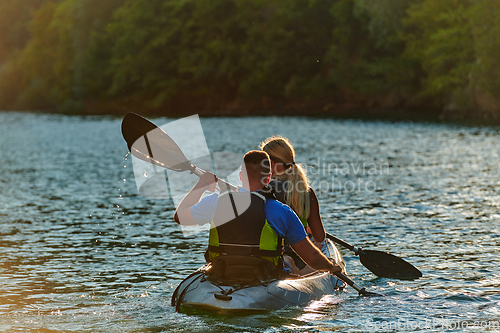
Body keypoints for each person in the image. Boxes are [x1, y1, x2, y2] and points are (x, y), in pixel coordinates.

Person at [173, 150, 341, 279]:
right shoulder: (281, 211)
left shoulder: (215, 202)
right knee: (292, 265)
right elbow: (311, 257)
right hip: (263, 276)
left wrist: (200, 186)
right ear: (268, 179)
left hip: (221, 272)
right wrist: (332, 267)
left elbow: (180, 217)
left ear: (240, 176)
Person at [260, 136, 328, 274]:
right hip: (302, 255)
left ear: (272, 163)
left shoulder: (264, 190)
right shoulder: (307, 192)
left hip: (272, 254)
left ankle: (289, 267)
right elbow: (320, 237)